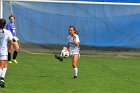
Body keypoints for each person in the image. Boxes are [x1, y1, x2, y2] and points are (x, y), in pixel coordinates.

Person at [0, 19, 13, 87]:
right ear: (4, 25)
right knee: (1, 66)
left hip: (2, 52)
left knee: (5, 65)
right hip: (3, 52)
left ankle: (2, 79)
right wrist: (10, 51)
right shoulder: (7, 32)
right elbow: (11, 42)